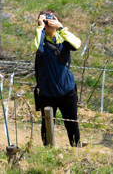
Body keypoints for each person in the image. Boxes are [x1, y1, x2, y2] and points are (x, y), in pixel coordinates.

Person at [33, 9, 82, 147]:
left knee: (72, 123)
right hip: (47, 92)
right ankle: (48, 152)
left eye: (51, 19)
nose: (49, 23)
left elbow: (77, 44)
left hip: (67, 91)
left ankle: (76, 149)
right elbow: (36, 47)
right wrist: (40, 28)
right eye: (45, 20)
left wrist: (60, 27)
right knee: (47, 126)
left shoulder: (63, 39)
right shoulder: (41, 41)